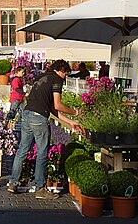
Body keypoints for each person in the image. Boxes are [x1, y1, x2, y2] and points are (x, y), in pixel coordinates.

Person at [7, 59, 84, 200]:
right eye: (66, 74)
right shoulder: (56, 80)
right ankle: (40, 188)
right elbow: (58, 105)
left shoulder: (41, 77)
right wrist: (75, 112)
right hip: (39, 118)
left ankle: (13, 183)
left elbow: (53, 110)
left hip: (27, 114)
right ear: (62, 70)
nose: (65, 78)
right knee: (42, 152)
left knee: (23, 150)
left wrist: (71, 122)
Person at [7, 66, 26, 135]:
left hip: (19, 99)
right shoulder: (16, 80)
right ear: (17, 72)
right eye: (22, 72)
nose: (23, 73)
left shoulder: (19, 79)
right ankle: (8, 127)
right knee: (12, 113)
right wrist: (24, 94)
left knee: (22, 112)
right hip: (16, 98)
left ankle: (20, 127)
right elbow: (16, 89)